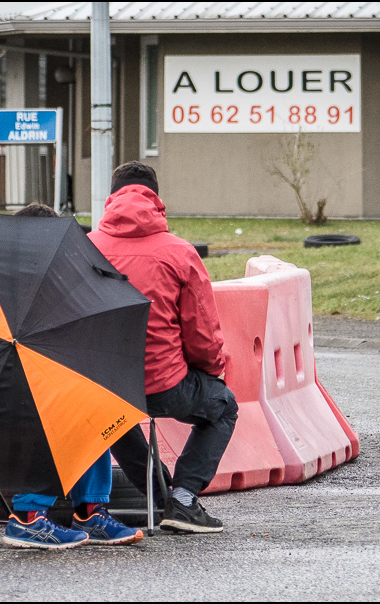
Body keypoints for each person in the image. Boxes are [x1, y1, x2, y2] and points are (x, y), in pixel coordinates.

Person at [0, 202, 143, 549]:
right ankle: (27, 517)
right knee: (56, 408)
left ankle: (90, 509)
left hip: (20, 381)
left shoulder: (40, 279)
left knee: (91, 402)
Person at [89, 162, 239, 534]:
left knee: (114, 418)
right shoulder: (179, 253)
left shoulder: (86, 247)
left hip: (105, 383)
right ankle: (184, 498)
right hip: (165, 384)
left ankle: (157, 497)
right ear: (156, 199)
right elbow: (201, 334)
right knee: (223, 408)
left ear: (111, 198)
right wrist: (212, 369)